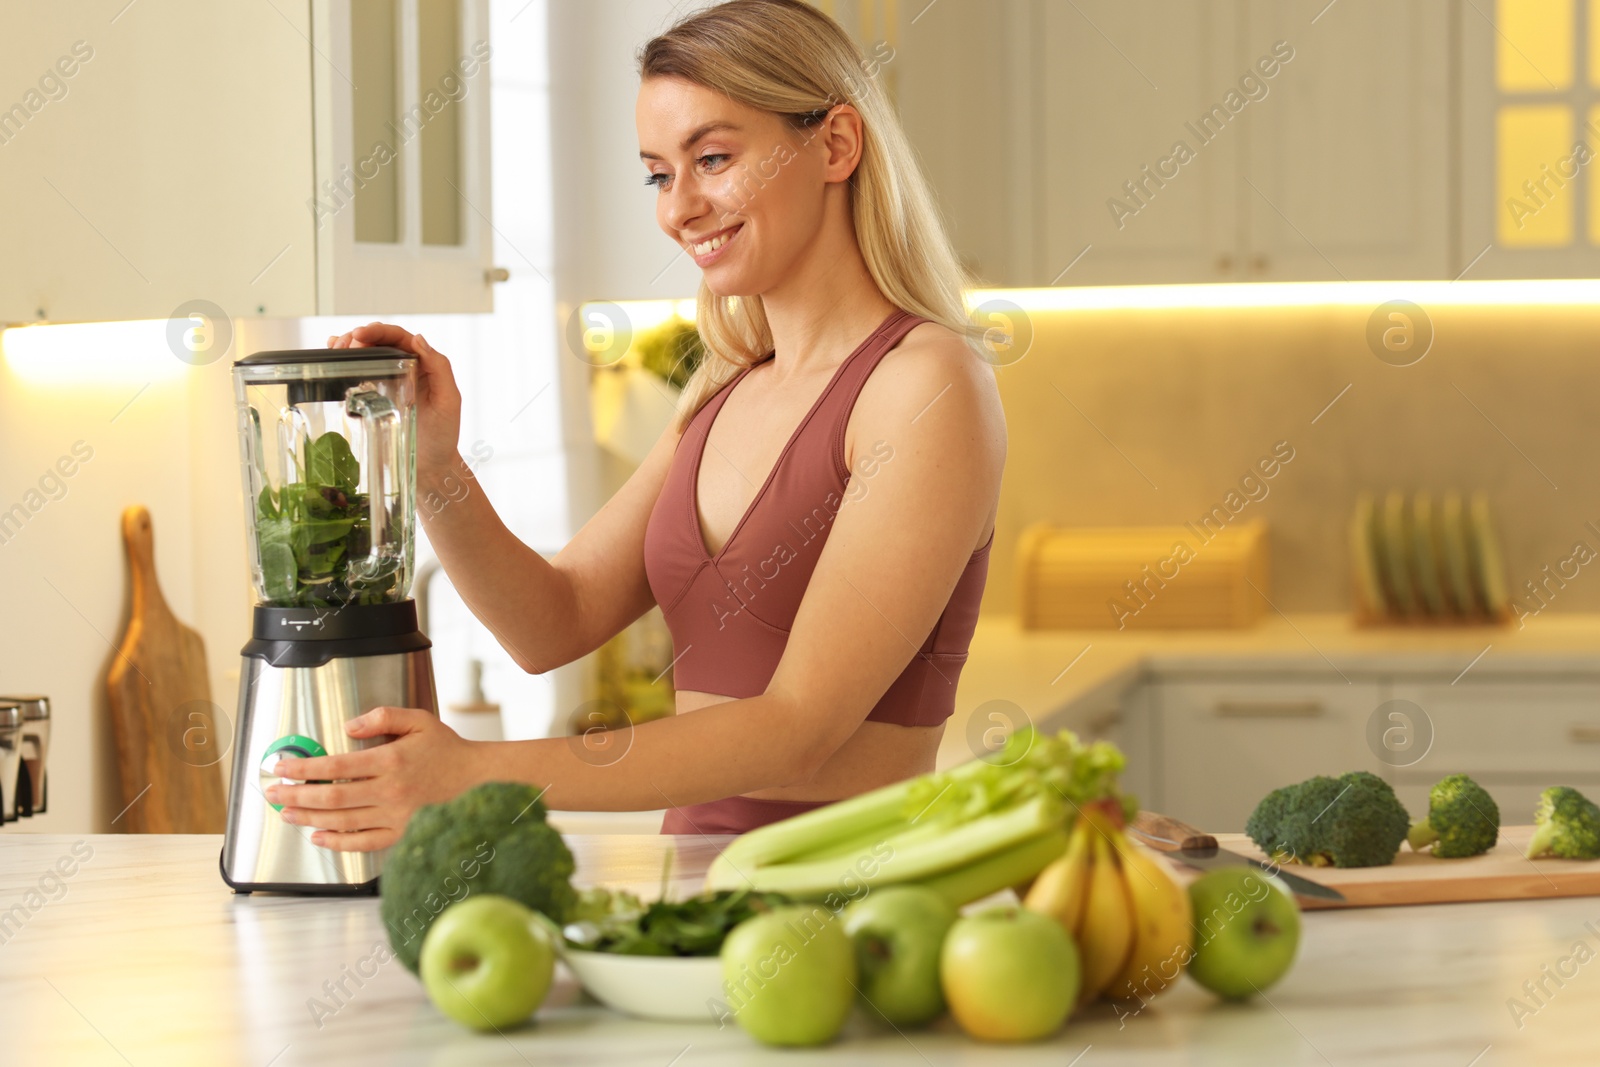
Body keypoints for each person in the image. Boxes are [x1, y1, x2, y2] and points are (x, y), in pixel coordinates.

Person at [267, 0, 1006, 849]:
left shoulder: (925, 385)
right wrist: (431, 458)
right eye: (659, 174)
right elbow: (552, 621)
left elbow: (801, 725)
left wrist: (473, 769)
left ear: (835, 144)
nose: (678, 208)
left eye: (714, 159)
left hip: (855, 904)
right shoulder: (726, 388)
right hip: (695, 888)